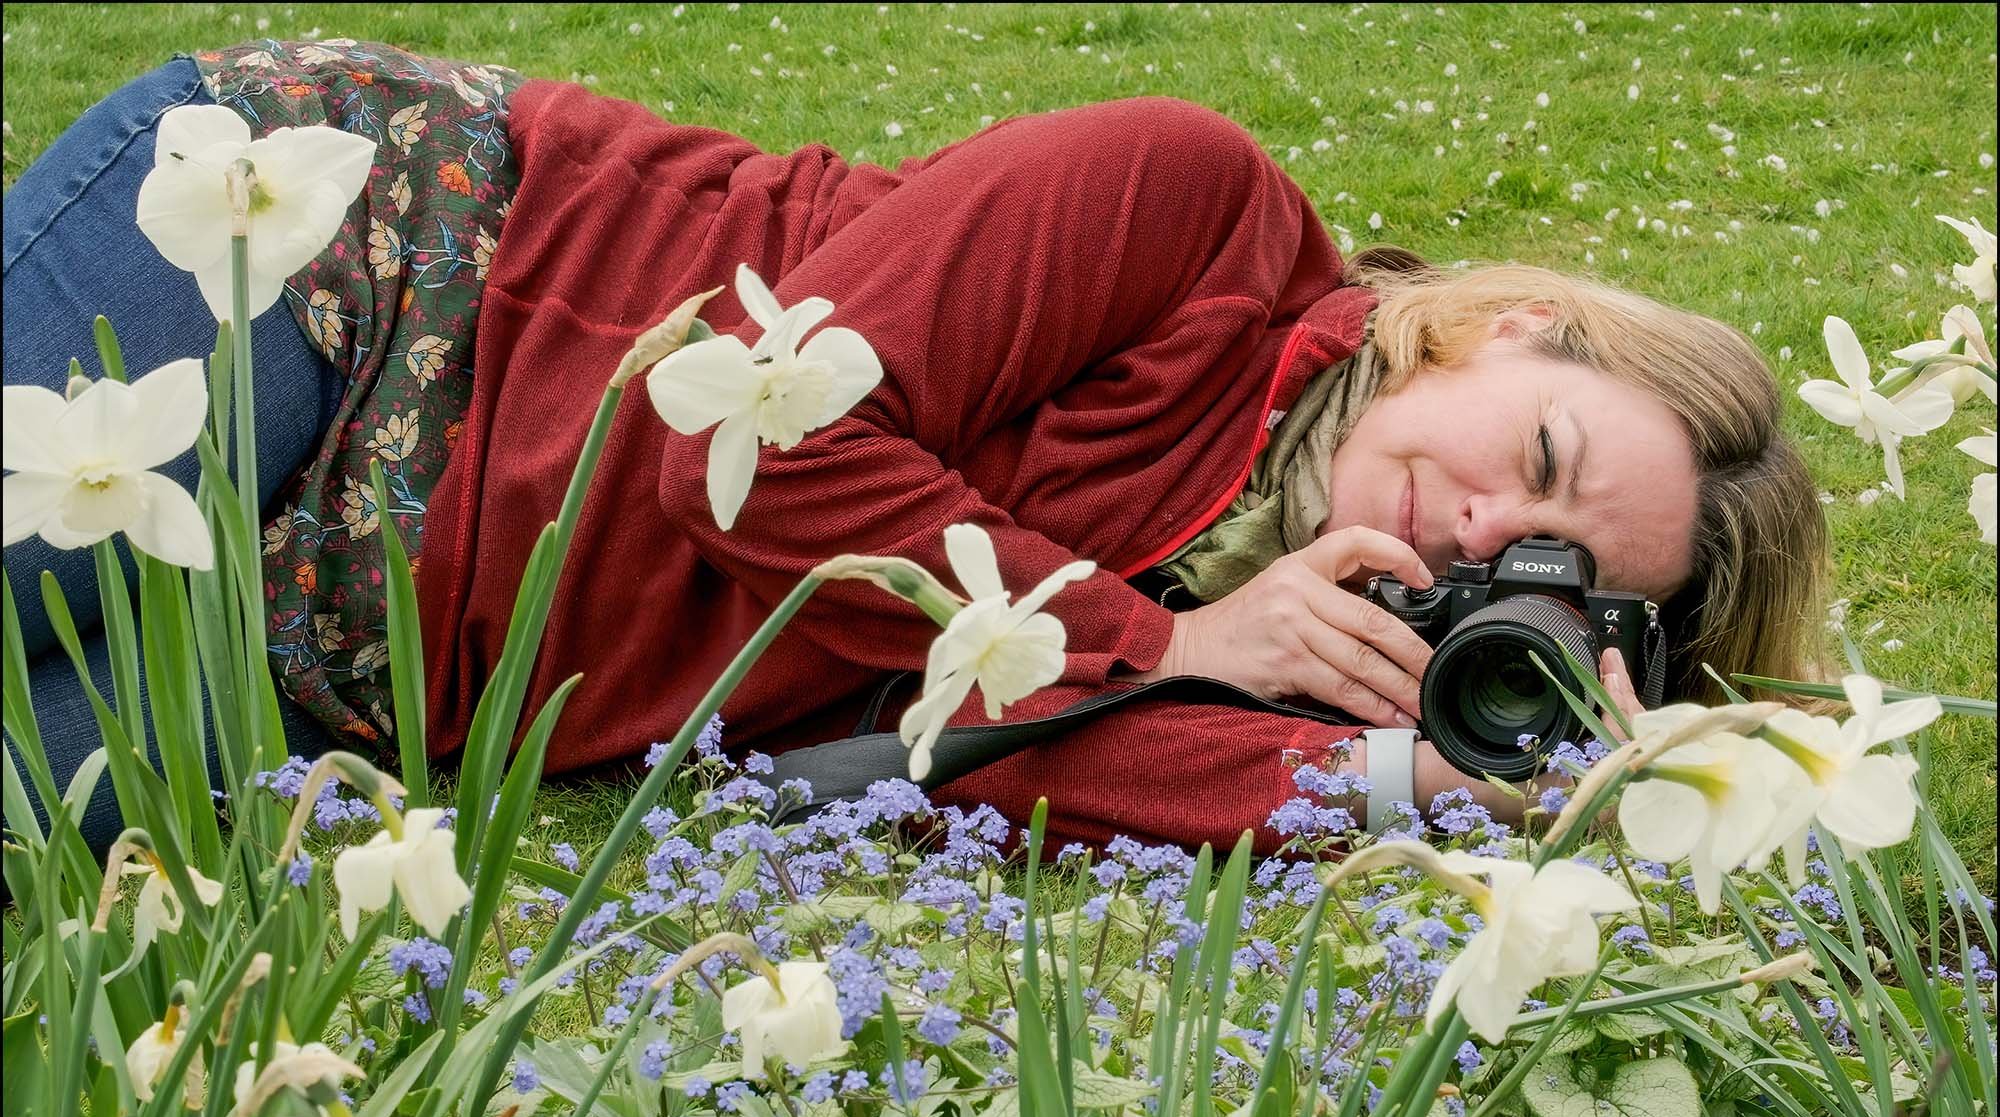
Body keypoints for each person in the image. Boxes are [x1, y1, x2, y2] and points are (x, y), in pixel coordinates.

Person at [3, 39, 1827, 854]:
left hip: (347, 647)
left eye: (1548, 552)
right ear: (1516, 332)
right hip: (328, 269)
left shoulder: (1308, 628)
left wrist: (1436, 775)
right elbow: (731, 431)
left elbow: (973, 768)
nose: (1484, 515)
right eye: (1547, 448)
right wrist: (1163, 641)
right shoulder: (1190, 210)